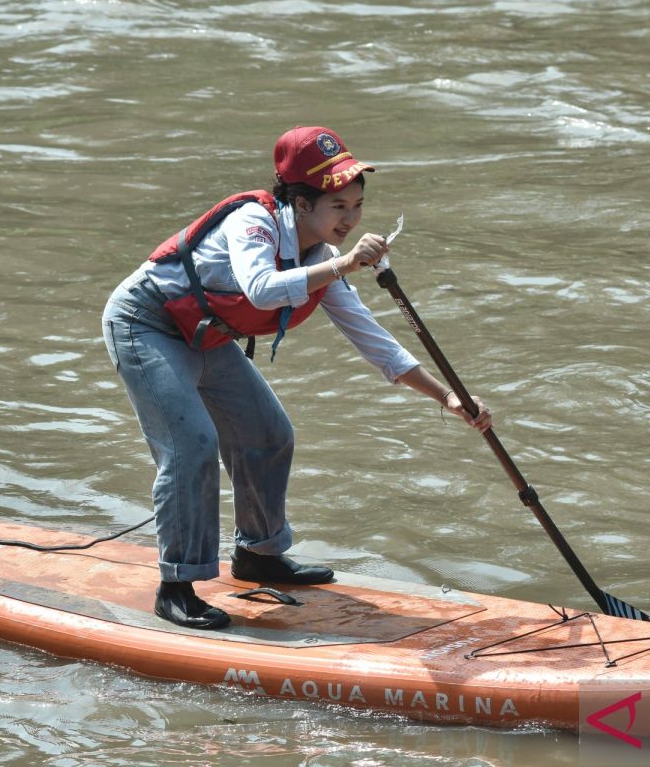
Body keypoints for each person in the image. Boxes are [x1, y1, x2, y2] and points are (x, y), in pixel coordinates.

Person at [101, 125, 492, 630]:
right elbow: (262, 290)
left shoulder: (322, 259)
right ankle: (176, 586)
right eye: (338, 207)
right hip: (147, 324)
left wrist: (448, 399)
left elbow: (374, 341)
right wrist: (346, 264)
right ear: (301, 204)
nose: (350, 220)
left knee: (268, 434)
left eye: (357, 206)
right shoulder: (253, 224)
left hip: (205, 335)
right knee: (192, 446)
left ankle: (258, 556)